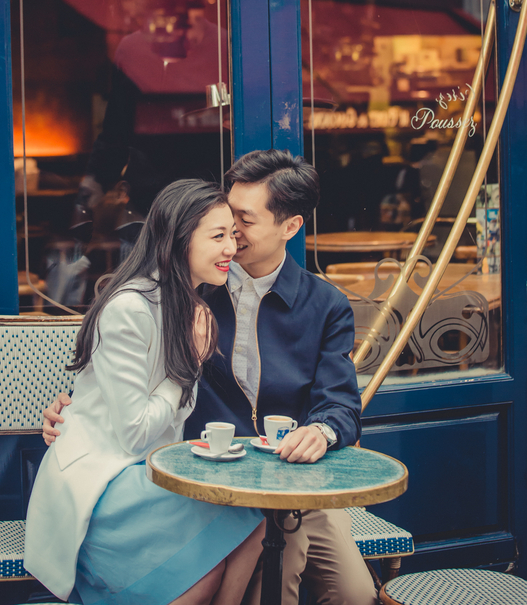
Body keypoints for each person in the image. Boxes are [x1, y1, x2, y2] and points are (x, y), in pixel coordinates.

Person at [44, 150, 378, 605]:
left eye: (244, 220)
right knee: (271, 579)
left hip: (294, 482)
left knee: (355, 595)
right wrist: (76, 406)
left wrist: (321, 431)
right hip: (212, 481)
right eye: (226, 217)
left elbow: (341, 404)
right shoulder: (192, 286)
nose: (232, 235)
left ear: (290, 227)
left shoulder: (325, 305)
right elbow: (127, 367)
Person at [26, 179, 265, 605]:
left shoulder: (189, 306)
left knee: (255, 521)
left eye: (232, 234)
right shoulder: (129, 308)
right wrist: (186, 365)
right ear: (178, 239)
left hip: (148, 473)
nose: (232, 247)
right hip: (104, 480)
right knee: (203, 578)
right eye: (218, 236)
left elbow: (170, 422)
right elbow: (135, 433)